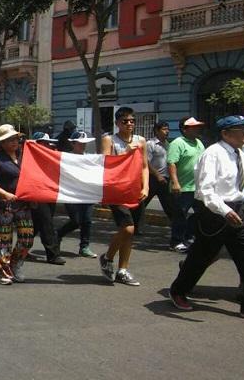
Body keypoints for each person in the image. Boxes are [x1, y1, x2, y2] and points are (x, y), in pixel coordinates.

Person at [169, 115, 244, 320]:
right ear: (225, 133)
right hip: (215, 213)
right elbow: (206, 190)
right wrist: (224, 210)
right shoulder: (212, 154)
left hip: (241, 210)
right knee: (201, 256)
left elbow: (236, 182)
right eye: (241, 129)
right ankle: (178, 291)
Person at [99, 107, 149, 286]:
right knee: (127, 228)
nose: (129, 124)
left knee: (130, 233)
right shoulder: (109, 140)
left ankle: (123, 270)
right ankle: (107, 257)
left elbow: (144, 166)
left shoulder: (141, 141)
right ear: (117, 123)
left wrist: (146, 186)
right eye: (125, 121)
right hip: (117, 190)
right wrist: (127, 152)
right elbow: (106, 164)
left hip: (135, 190)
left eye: (132, 121)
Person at [0, 124, 34, 285]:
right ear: (1, 143)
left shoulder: (25, 156)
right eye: (9, 139)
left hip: (23, 204)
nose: (14, 142)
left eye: (15, 139)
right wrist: (4, 194)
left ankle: (15, 264)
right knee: (2, 241)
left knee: (27, 238)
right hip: (3, 205)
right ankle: (2, 271)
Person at [56, 131, 98, 258]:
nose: (83, 146)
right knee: (76, 221)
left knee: (87, 221)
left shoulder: (90, 158)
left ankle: (84, 247)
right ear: (73, 144)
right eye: (80, 143)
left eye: (85, 144)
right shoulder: (66, 158)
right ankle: (58, 234)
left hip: (87, 194)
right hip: (71, 194)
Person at [167, 117, 206, 252]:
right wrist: (175, 182)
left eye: (198, 126)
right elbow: (172, 163)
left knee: (201, 213)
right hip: (182, 187)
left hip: (198, 187)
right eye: (193, 127)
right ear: (184, 129)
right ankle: (176, 241)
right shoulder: (177, 143)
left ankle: (190, 236)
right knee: (180, 215)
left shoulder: (199, 143)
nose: (197, 129)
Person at [143, 122, 183, 247]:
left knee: (170, 206)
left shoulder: (168, 145)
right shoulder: (150, 144)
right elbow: (146, 162)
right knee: (142, 202)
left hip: (165, 180)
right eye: (164, 129)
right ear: (157, 131)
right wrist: (157, 175)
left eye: (168, 129)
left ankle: (177, 231)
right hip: (152, 179)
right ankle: (132, 226)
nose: (167, 131)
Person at [29, 132, 65, 265]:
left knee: (36, 225)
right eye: (43, 142)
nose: (46, 145)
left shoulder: (50, 156)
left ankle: (21, 248)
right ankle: (53, 254)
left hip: (50, 193)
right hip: (38, 194)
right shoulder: (30, 158)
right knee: (47, 224)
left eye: (47, 142)